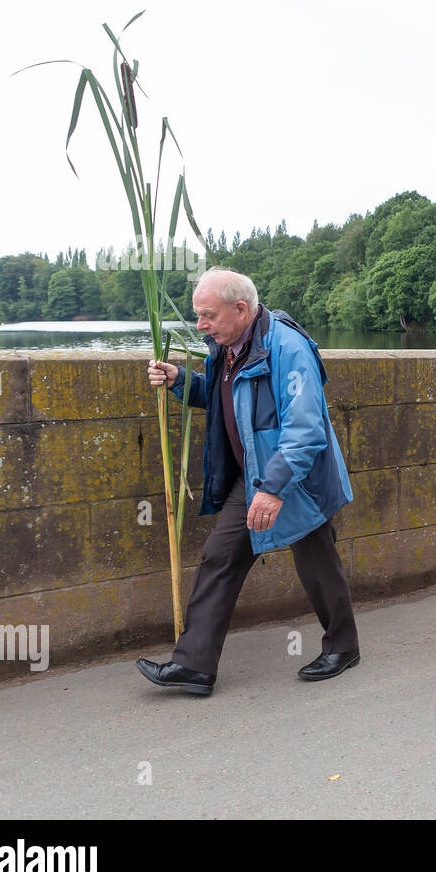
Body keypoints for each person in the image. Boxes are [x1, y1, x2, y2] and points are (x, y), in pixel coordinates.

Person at [137, 268, 360, 695]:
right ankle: (195, 666)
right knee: (220, 557)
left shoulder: (288, 348)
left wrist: (274, 489)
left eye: (208, 316)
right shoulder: (228, 345)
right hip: (255, 474)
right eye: (198, 316)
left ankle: (343, 647)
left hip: (298, 479)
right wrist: (180, 381)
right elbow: (224, 398)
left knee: (316, 564)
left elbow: (306, 430)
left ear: (241, 309)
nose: (200, 325)